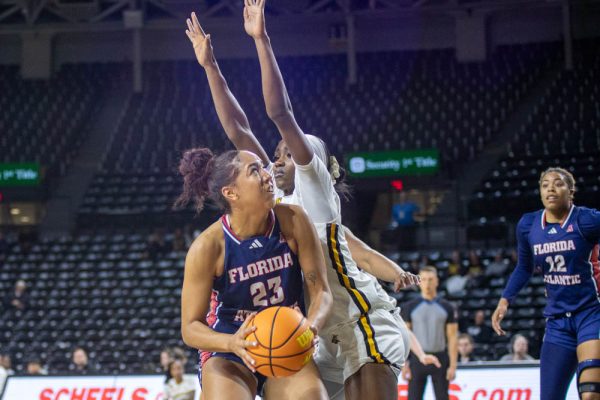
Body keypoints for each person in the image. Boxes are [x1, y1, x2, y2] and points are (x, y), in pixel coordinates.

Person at [185, 7, 427, 400]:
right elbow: (238, 129)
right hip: (315, 330)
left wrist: (261, 40)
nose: (275, 161)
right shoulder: (273, 203)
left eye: (284, 154)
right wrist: (211, 67)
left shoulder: (313, 187)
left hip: (356, 315)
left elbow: (279, 113)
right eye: (272, 157)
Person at [176, 147, 333, 400]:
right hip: (230, 345)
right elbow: (190, 328)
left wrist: (309, 329)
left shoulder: (293, 220)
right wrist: (231, 343)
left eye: (263, 166)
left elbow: (321, 291)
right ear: (231, 193)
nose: (267, 174)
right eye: (254, 170)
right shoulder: (208, 246)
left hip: (286, 337)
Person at [491, 167, 600, 400]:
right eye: (545, 184)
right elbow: (524, 267)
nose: (551, 188)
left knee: (590, 393)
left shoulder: (587, 219)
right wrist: (504, 301)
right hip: (558, 322)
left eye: (558, 183)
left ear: (571, 192)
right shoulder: (528, 225)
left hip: (592, 314)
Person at [401, 267, 458, 400]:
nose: (427, 283)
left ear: (437, 281)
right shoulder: (410, 307)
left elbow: (453, 338)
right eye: (424, 280)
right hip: (417, 359)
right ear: (419, 282)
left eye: (431, 279)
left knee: (443, 397)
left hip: (440, 358)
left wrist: (453, 365)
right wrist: (404, 364)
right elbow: (405, 336)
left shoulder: (447, 307)